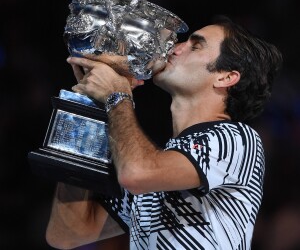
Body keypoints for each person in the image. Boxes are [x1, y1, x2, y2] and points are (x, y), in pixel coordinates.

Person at [45, 15, 282, 250]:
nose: (176, 48)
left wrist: (117, 97)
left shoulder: (238, 140)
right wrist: (90, 109)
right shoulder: (157, 165)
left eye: (195, 45)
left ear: (226, 77)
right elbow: (66, 233)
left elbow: (136, 174)